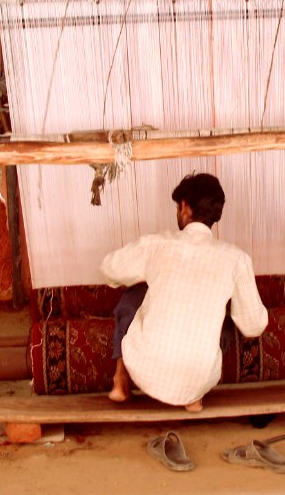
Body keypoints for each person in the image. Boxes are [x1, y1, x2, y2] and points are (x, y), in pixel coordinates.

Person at [100, 172, 268, 412]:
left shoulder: (157, 245)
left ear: (185, 208)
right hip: (199, 377)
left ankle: (121, 379)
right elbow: (253, 326)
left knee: (135, 292)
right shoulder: (237, 260)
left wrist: (148, 276)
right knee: (229, 316)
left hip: (145, 368)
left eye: (179, 207)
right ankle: (193, 396)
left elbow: (109, 268)